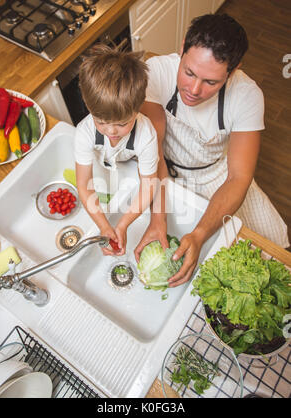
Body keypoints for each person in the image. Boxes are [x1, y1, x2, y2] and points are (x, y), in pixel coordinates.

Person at [135, 13, 289, 286]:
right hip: (163, 171)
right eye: (189, 72)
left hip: (219, 176)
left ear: (234, 69)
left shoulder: (247, 96)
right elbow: (153, 150)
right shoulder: (156, 72)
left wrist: (199, 234)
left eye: (211, 82)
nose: (193, 90)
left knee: (271, 254)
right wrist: (157, 219)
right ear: (182, 47)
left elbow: (238, 178)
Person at [75, 44, 159, 256]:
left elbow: (148, 186)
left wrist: (122, 224)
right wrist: (104, 226)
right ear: (88, 106)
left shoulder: (146, 134)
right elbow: (84, 186)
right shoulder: (84, 132)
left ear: (138, 108)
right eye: (101, 122)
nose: (111, 131)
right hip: (102, 166)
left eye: (122, 124)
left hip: (130, 169)